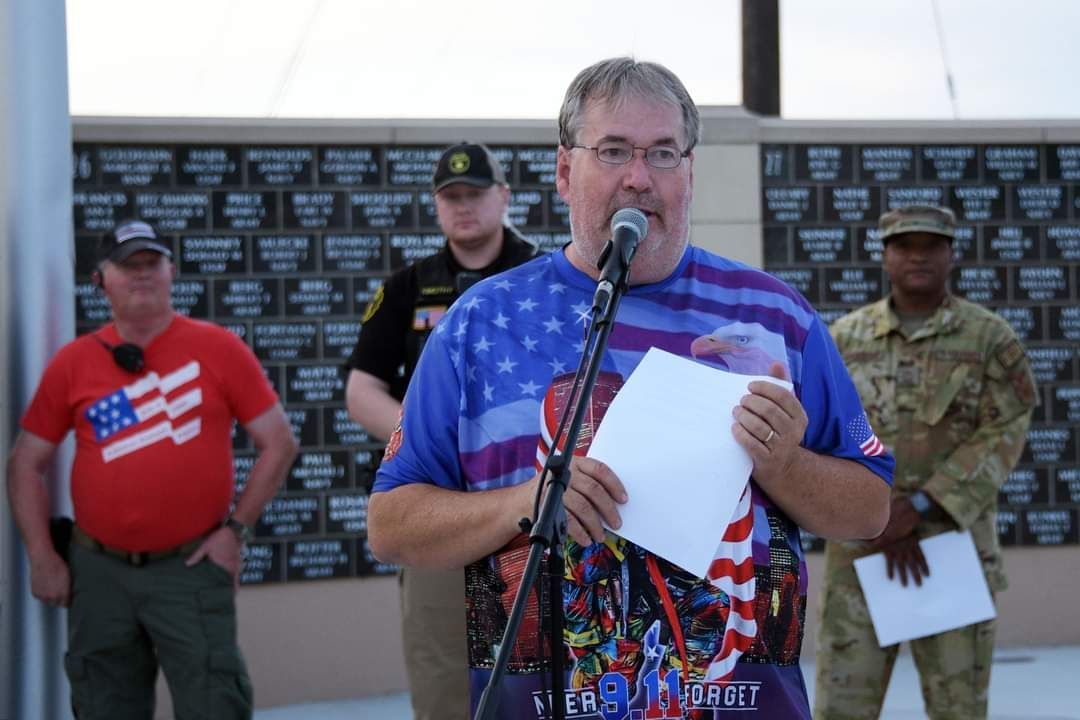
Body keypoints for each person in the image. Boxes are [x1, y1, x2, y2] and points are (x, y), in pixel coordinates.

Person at [367, 57, 893, 719]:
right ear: (564, 172)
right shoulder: (479, 324)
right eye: (612, 150)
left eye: (663, 153)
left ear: (690, 172)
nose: (639, 178)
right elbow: (390, 527)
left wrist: (784, 462)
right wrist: (527, 504)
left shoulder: (776, 318)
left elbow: (870, 509)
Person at [6, 219, 299, 720]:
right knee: (103, 705)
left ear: (172, 272)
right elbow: (25, 465)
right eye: (127, 266)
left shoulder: (219, 348)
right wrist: (42, 556)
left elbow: (279, 443)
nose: (141, 275)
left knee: (214, 703)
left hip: (188, 571)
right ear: (101, 281)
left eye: (152, 263)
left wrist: (235, 532)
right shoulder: (74, 362)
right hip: (97, 574)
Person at [814, 204, 1036, 720]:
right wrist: (875, 512)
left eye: (931, 245)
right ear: (886, 256)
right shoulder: (845, 338)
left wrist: (919, 505)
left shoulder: (988, 339)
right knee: (842, 709)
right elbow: (827, 428)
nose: (918, 256)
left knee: (958, 708)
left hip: (951, 550)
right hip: (862, 553)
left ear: (951, 255)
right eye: (904, 245)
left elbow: (1005, 426)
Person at [345, 141, 538, 720]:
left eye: (475, 194)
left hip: (533, 511)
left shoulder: (544, 275)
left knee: (555, 671)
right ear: (436, 205)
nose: (463, 206)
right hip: (436, 509)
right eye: (451, 197)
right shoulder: (407, 288)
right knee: (443, 686)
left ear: (503, 197)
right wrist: (435, 446)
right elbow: (362, 391)